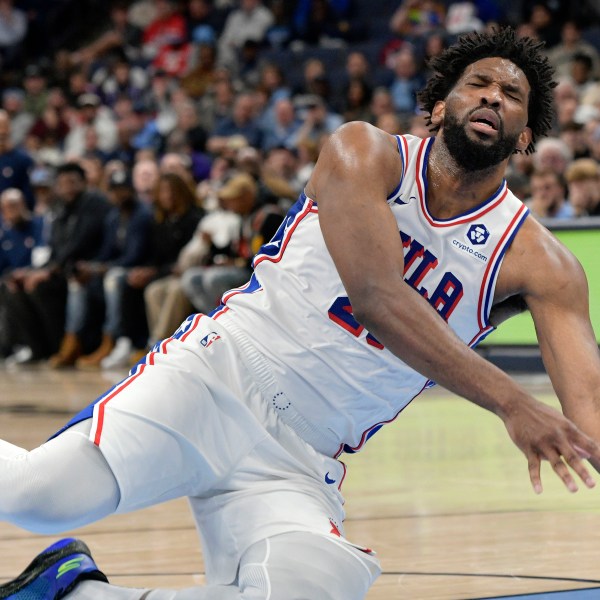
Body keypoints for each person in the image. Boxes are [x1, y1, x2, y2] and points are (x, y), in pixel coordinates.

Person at [2, 27, 600, 600]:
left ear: (524, 138)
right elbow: (377, 295)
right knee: (42, 495)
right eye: (478, 83)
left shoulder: (543, 264)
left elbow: (590, 411)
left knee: (307, 590)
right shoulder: (363, 150)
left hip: (302, 456)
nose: (493, 95)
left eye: (512, 94)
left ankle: (69, 593)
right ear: (440, 108)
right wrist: (515, 403)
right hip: (217, 378)